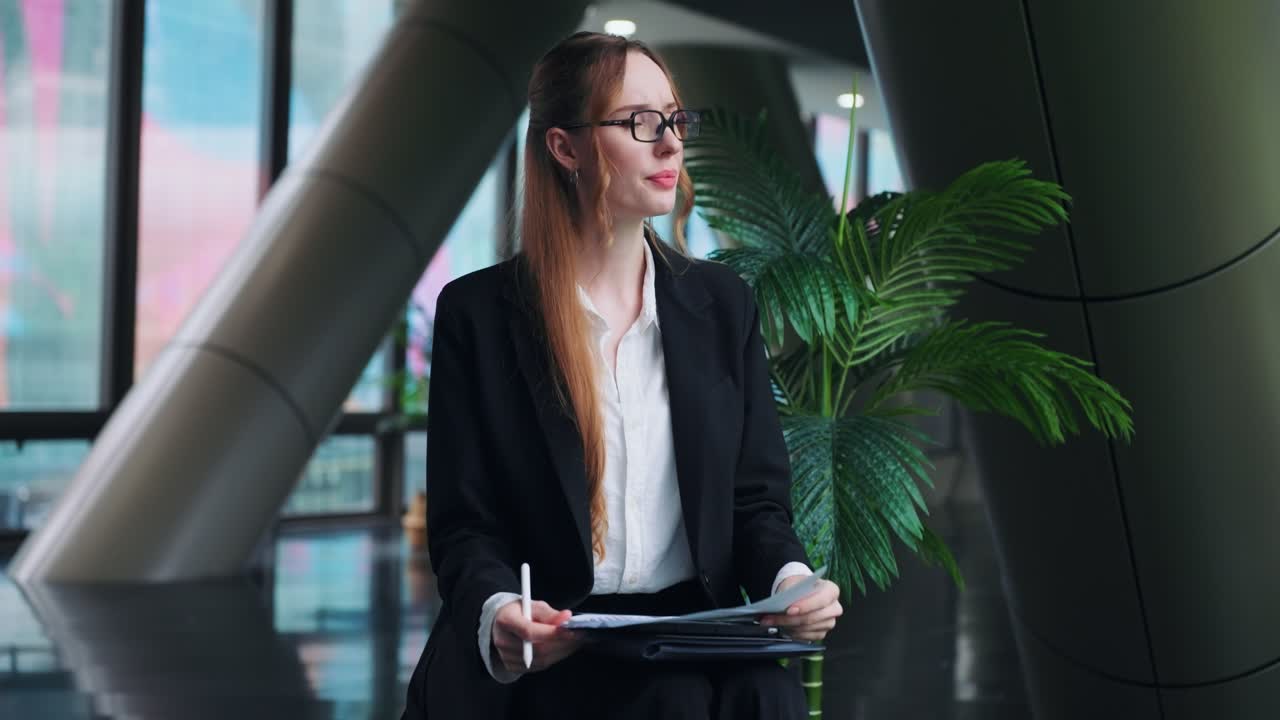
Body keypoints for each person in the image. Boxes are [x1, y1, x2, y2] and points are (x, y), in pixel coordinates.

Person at [401, 31, 842, 720]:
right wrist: (500, 611)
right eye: (640, 122)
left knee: (770, 696)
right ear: (564, 147)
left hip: (691, 627)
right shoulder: (482, 315)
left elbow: (756, 503)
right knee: (667, 702)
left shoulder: (722, 305)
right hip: (558, 633)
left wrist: (792, 584)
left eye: (674, 119)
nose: (669, 143)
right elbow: (465, 527)